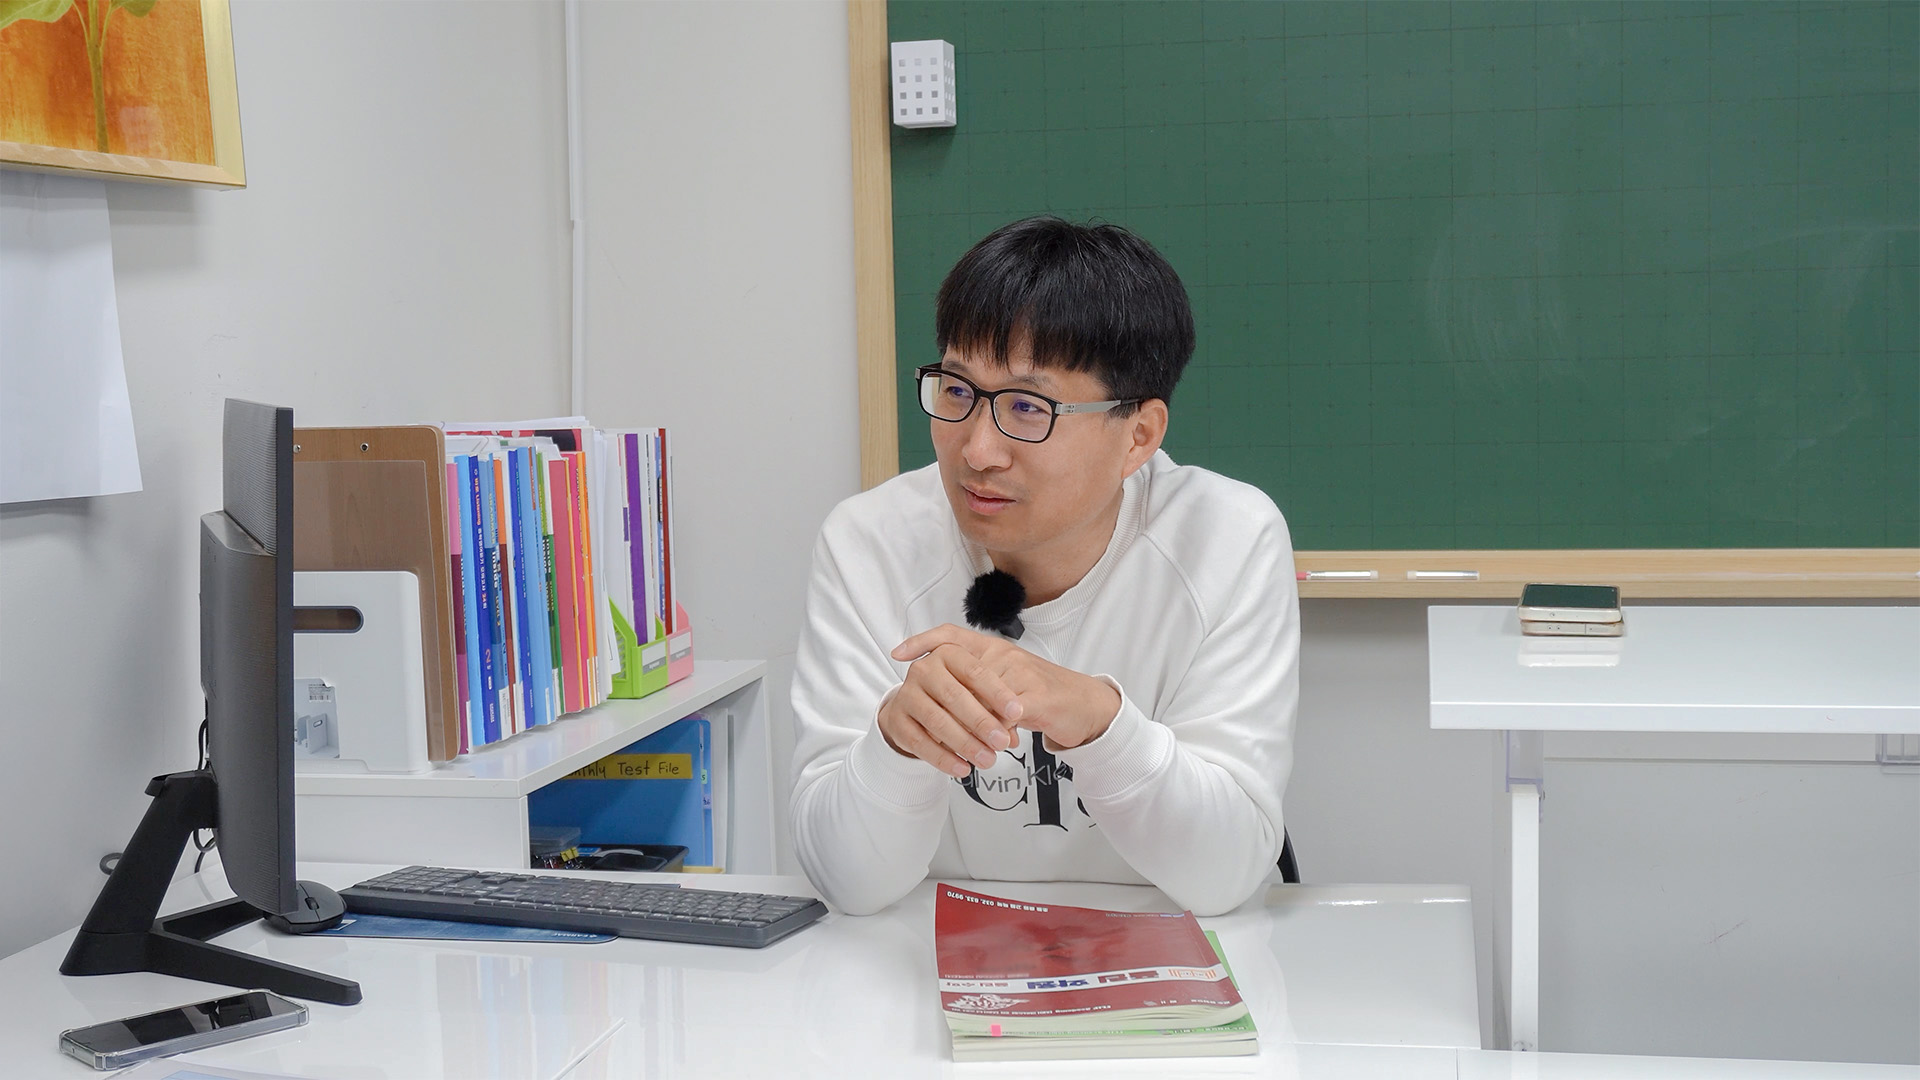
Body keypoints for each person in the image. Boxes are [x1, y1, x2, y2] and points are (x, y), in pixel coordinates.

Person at [789, 216, 1298, 917]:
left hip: (1166, 946)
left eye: (1028, 407)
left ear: (1139, 436)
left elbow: (1225, 876)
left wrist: (1099, 722)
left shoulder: (1228, 540)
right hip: (928, 951)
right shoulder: (868, 543)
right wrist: (897, 747)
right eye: (957, 391)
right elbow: (845, 884)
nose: (977, 451)